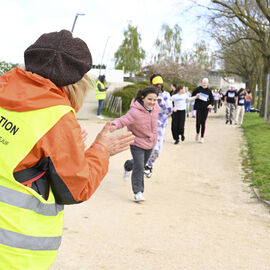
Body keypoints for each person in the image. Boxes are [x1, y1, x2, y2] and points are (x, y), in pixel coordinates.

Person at [0, 30, 134, 270]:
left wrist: (63, 148)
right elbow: (76, 188)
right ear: (76, 83)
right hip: (15, 250)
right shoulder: (57, 117)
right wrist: (101, 150)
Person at [110, 86, 159, 202]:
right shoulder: (135, 112)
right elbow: (123, 120)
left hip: (150, 142)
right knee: (140, 167)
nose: (152, 102)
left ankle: (128, 165)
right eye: (149, 99)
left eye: (154, 100)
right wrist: (114, 124)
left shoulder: (156, 108)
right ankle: (138, 192)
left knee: (140, 163)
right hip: (136, 142)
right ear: (143, 98)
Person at [144, 74, 173, 178]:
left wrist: (162, 103)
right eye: (156, 84)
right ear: (152, 84)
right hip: (147, 125)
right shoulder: (147, 95)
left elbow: (169, 111)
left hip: (160, 126)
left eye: (160, 84)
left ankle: (149, 165)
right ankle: (142, 165)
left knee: (157, 150)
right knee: (145, 147)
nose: (158, 86)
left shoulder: (166, 95)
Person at [192, 78, 213, 143]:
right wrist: (196, 95)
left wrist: (211, 104)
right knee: (198, 122)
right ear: (202, 82)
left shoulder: (209, 91)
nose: (204, 83)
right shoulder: (198, 89)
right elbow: (192, 95)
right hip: (198, 108)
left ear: (208, 83)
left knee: (203, 123)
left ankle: (202, 137)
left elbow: (212, 100)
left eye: (206, 82)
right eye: (203, 82)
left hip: (205, 108)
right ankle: (197, 133)